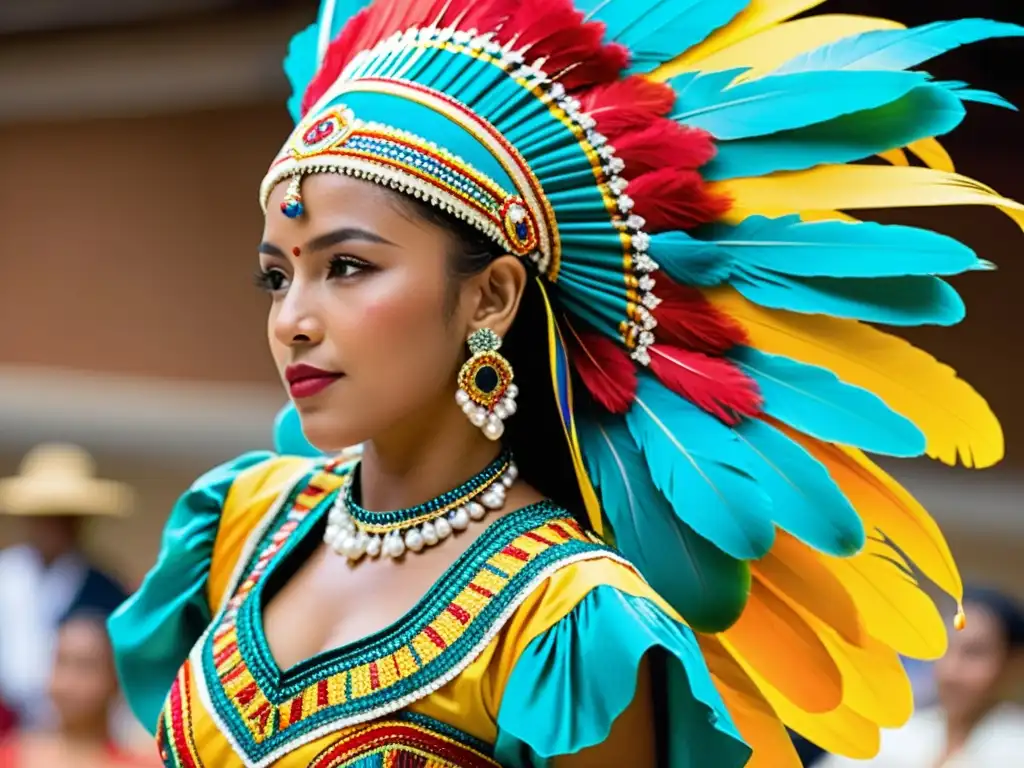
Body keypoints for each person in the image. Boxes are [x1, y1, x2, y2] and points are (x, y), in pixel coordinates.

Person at [107, 1, 1021, 765]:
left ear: (491, 296)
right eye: (279, 274)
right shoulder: (235, 523)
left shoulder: (569, 623)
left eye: (347, 268)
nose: (292, 319)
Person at [0, 444, 132, 731]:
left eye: (64, 516)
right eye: (45, 515)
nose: (54, 526)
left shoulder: (106, 589)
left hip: (78, 726)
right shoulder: (6, 575)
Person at [817, 586, 1024, 767]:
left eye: (974, 653)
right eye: (945, 649)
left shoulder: (1015, 748)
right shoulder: (896, 736)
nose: (950, 670)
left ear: (1013, 663)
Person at [0, 611, 159, 767]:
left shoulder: (140, 762)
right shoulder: (12, 755)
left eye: (85, 668)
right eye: (61, 663)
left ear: (116, 680)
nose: (68, 682)